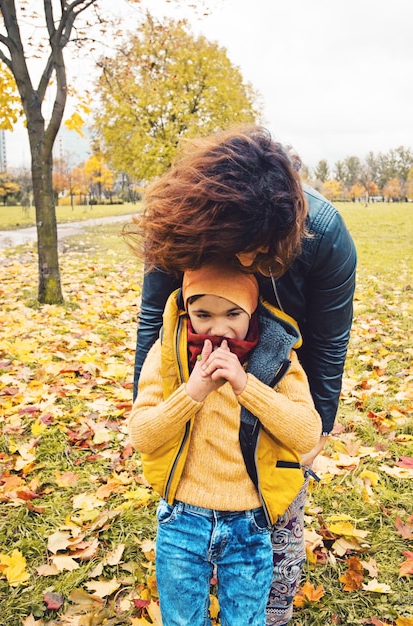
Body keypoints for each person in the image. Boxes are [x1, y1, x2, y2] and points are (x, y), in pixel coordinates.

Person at [129, 125, 357, 625]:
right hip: (201, 381)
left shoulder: (326, 236)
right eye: (234, 253)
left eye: (253, 254)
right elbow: (156, 320)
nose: (246, 263)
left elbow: (328, 342)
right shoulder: (183, 227)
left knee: (275, 549)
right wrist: (156, 408)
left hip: (278, 361)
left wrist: (315, 427)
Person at [128, 263, 322, 626]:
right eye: (203, 314)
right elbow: (142, 435)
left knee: (246, 619)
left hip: (249, 522)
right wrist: (194, 392)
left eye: (233, 313)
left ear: (251, 309)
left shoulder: (277, 357)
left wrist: (246, 386)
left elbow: (306, 433)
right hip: (182, 519)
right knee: (182, 620)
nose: (218, 328)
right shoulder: (168, 353)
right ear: (187, 311)